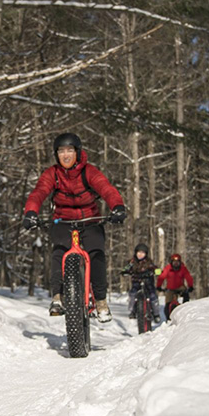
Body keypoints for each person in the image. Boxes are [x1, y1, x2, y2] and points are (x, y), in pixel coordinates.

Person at [22, 133, 126, 321]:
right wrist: (31, 212)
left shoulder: (89, 172)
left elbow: (106, 189)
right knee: (59, 250)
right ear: (56, 155)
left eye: (70, 150)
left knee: (96, 253)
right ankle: (57, 296)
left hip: (90, 220)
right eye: (61, 151)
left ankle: (101, 301)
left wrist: (117, 207)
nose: (66, 155)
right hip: (63, 220)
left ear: (77, 152)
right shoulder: (52, 174)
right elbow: (38, 193)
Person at [121, 243, 159, 319]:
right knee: (132, 293)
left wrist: (156, 271)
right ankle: (132, 310)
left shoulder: (148, 262)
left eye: (143, 253)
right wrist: (125, 271)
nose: (140, 255)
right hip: (136, 282)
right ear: (136, 252)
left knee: (153, 296)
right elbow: (126, 268)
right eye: (139, 252)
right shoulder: (132, 262)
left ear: (146, 254)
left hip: (148, 282)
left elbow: (154, 268)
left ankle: (156, 314)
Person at [157, 252, 194, 317]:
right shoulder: (168, 268)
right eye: (174, 262)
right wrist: (159, 286)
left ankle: (185, 309)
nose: (176, 264)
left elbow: (188, 277)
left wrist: (190, 286)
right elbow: (162, 277)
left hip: (180, 287)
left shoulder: (183, 268)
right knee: (168, 303)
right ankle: (168, 317)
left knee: (186, 295)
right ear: (171, 262)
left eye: (177, 262)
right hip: (170, 288)